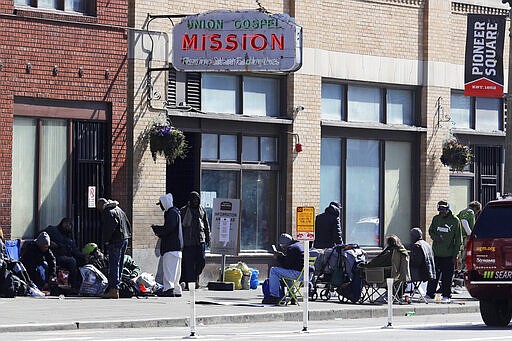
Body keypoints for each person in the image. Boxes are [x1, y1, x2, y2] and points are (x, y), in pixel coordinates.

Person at [426, 200, 462, 303]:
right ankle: (429, 294)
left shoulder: (455, 221)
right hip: (436, 253)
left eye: (444, 209)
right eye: (440, 209)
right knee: (433, 275)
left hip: (449, 254)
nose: (442, 211)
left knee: (447, 276)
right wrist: (436, 238)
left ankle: (446, 295)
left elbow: (458, 240)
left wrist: (455, 255)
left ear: (448, 209)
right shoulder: (436, 219)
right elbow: (431, 231)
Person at [97, 198, 132, 299]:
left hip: (115, 240)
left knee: (114, 264)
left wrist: (106, 240)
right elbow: (127, 223)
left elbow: (109, 227)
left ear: (101, 204)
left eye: (98, 206)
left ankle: (113, 289)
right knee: (119, 264)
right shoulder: (119, 209)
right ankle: (117, 287)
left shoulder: (108, 211)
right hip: (124, 238)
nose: (98, 209)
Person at [152, 193, 183, 297]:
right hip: (177, 247)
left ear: (165, 203)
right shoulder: (176, 212)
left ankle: (168, 289)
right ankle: (176, 289)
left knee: (169, 270)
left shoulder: (170, 213)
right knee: (176, 272)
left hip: (170, 247)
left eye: (161, 204)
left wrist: (157, 229)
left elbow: (168, 229)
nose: (160, 206)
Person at [43, 218, 85, 290]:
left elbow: (75, 250)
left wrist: (84, 256)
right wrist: (49, 242)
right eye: (66, 223)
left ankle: (77, 286)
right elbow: (41, 235)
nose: (68, 225)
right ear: (62, 223)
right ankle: (73, 286)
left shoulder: (70, 237)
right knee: (72, 261)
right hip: (54, 256)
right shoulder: (53, 230)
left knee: (79, 262)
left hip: (66, 257)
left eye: (69, 224)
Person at [262, 233, 305, 305]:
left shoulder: (291, 248)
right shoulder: (299, 246)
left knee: (274, 270)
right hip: (305, 273)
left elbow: (287, 265)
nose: (282, 248)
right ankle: (292, 296)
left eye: (282, 246)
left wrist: (278, 257)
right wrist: (282, 256)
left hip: (298, 274)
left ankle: (274, 296)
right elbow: (292, 262)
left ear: (285, 244)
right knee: (287, 275)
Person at [180, 191, 210, 290]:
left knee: (201, 261)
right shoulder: (184, 211)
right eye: (194, 199)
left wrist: (208, 237)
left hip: (200, 240)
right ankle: (191, 283)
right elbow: (180, 226)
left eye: (197, 199)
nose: (195, 201)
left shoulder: (202, 210)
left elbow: (206, 225)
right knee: (189, 264)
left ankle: (195, 277)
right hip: (188, 241)